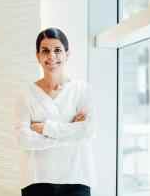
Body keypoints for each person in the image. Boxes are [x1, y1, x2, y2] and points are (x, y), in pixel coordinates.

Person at [14, 28, 96, 196]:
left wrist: (45, 128)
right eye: (45, 51)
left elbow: (88, 131)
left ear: (67, 54)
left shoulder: (82, 90)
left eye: (57, 50)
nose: (51, 56)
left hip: (76, 178)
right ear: (38, 56)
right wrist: (69, 131)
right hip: (36, 180)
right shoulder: (26, 94)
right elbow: (23, 139)